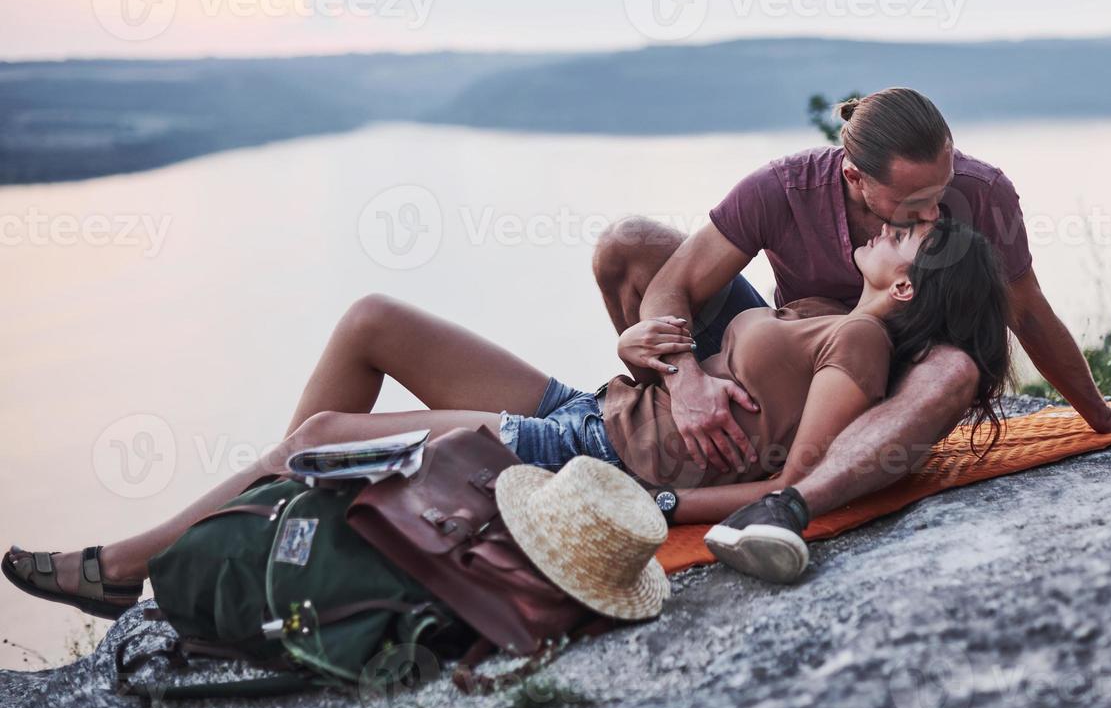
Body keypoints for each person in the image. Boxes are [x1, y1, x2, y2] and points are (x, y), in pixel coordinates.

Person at [4, 215, 1012, 616]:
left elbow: (789, 481)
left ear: (914, 290)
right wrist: (676, 365)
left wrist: (656, 494)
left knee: (313, 441)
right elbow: (674, 276)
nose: (891, 227)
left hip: (581, 456)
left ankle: (133, 562)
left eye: (912, 236)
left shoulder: (863, 345)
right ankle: (287, 521)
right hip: (596, 407)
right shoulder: (839, 311)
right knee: (372, 321)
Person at [593, 86, 1111, 581]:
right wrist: (686, 378)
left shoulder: (983, 192)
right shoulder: (784, 187)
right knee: (627, 245)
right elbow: (671, 286)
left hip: (899, 369)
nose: (935, 213)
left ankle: (786, 499)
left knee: (957, 367)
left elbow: (1026, 312)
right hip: (801, 361)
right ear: (855, 176)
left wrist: (1099, 414)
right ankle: (684, 440)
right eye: (914, 204)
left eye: (941, 193)